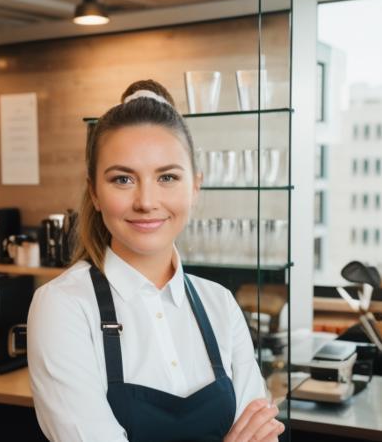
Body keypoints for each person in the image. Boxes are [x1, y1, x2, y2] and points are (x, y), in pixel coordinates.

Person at [27, 79, 285, 442]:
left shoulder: (219, 304)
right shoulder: (63, 306)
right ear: (94, 193)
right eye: (122, 179)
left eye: (167, 176)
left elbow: (264, 434)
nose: (146, 201)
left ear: (195, 187)